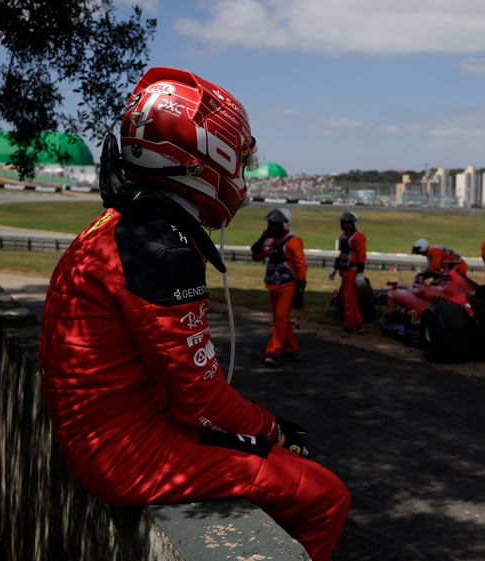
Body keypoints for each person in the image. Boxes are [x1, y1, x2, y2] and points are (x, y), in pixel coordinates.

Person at [38, 67, 349, 561]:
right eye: (239, 158)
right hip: (126, 453)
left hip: (107, 436)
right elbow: (200, 400)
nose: (241, 173)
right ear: (207, 154)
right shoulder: (159, 245)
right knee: (326, 497)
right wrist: (272, 430)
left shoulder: (120, 225)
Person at [250, 208, 307, 369]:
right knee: (280, 318)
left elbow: (301, 265)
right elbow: (256, 256)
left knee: (280, 318)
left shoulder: (293, 241)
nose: (273, 228)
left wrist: (300, 290)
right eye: (271, 224)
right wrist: (262, 238)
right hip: (273, 285)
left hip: (288, 285)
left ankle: (273, 352)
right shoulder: (268, 240)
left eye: (276, 225)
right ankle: (291, 348)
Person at [328, 210, 367, 336]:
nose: (346, 226)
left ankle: (349, 326)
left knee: (348, 299)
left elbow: (361, 256)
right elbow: (342, 254)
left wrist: (360, 273)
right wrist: (335, 268)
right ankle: (359, 324)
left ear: (353, 224)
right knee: (350, 298)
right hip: (344, 270)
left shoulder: (358, 237)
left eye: (348, 223)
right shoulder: (342, 236)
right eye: (344, 223)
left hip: (353, 270)